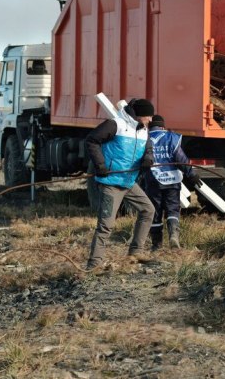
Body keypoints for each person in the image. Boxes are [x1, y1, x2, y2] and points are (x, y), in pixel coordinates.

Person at [85, 98, 156, 270]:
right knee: (106, 225)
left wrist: (148, 159)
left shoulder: (143, 130)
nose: (151, 120)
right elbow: (91, 141)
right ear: (139, 115)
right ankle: (94, 265)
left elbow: (148, 149)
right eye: (148, 116)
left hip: (129, 182)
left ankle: (135, 252)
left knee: (148, 210)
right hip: (111, 183)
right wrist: (100, 165)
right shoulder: (115, 124)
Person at [144, 115, 201, 250]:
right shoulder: (172, 137)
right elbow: (181, 159)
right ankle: (173, 237)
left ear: (150, 126)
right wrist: (191, 174)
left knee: (155, 211)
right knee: (172, 209)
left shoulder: (144, 138)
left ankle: (156, 245)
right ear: (163, 126)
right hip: (172, 181)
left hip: (153, 181)